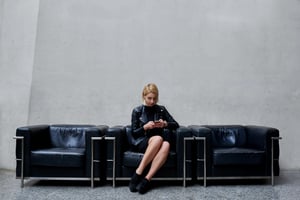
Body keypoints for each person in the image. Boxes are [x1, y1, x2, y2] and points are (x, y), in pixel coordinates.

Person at [129, 83, 179, 194]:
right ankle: (138, 172)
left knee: (166, 144)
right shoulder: (137, 111)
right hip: (141, 142)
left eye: (154, 98)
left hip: (158, 142)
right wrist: (145, 127)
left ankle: (146, 179)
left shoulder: (161, 110)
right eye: (149, 98)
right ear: (144, 96)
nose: (152, 101)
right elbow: (134, 133)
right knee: (158, 139)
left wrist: (165, 124)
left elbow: (176, 125)